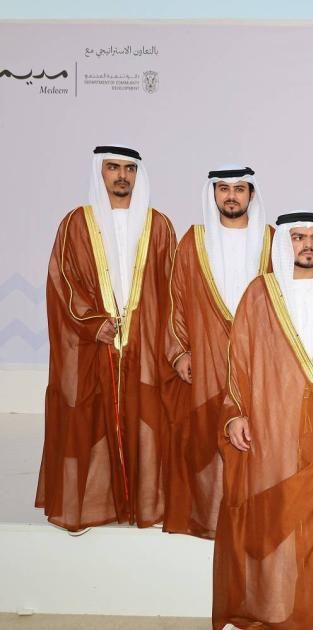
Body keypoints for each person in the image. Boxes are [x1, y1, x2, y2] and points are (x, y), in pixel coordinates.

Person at [213, 213, 313, 630]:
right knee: (280, 515)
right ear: (284, 243)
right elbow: (238, 359)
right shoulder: (260, 292)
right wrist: (235, 412)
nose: (308, 245)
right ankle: (274, 606)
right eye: (299, 237)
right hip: (274, 424)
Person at [38, 144, 176, 531]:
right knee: (88, 422)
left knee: (147, 422)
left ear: (138, 175)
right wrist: (91, 321)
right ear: (100, 171)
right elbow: (62, 280)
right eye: (113, 167)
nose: (121, 175)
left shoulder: (159, 225)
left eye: (129, 169)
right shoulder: (76, 223)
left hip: (144, 347)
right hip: (94, 344)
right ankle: (90, 505)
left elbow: (172, 287)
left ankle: (147, 505)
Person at [164, 165, 273, 538]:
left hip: (260, 360)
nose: (231, 196)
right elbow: (176, 299)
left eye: (239, 189)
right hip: (206, 357)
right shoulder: (194, 241)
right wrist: (180, 352)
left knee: (258, 434)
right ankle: (210, 518)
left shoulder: (272, 241)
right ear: (213, 194)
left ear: (251, 194)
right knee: (206, 434)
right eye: (223, 189)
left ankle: (253, 517)